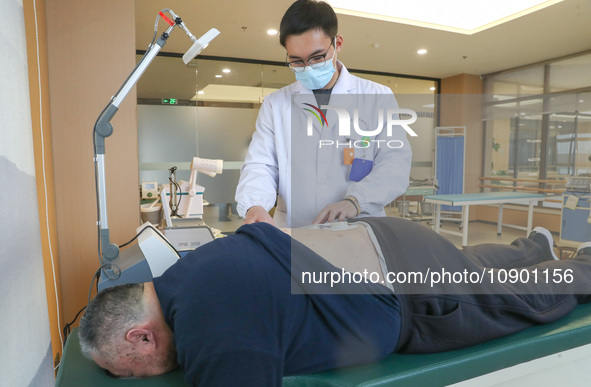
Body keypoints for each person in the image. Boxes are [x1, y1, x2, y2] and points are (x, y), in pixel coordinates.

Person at [79, 217, 591, 386]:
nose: (141, 377)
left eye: (130, 372)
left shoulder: (210, 338)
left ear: (139, 336)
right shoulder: (189, 273)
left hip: (411, 290)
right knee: (468, 265)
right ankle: (533, 247)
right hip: (382, 240)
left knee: (519, 300)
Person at [234, 0, 412, 228]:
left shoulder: (377, 96)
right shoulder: (275, 104)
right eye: (296, 61)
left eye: (317, 57)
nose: (307, 67)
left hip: (358, 224)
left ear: (337, 43)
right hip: (295, 227)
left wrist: (355, 201)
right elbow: (261, 164)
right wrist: (255, 205)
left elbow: (394, 161)